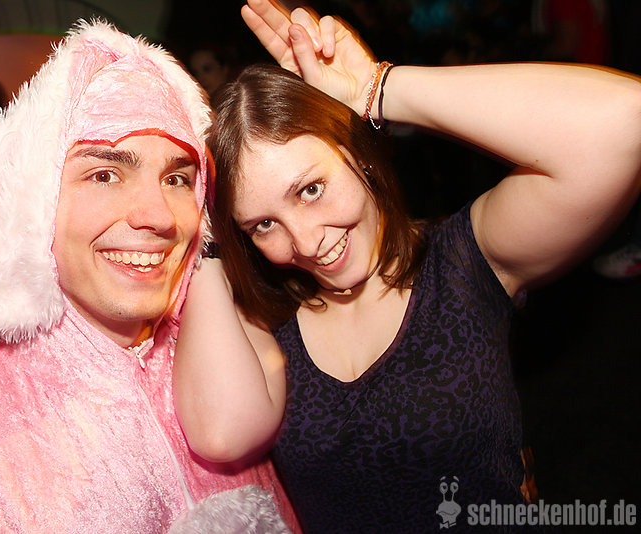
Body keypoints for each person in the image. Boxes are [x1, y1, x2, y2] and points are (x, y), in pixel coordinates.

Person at [173, 0, 641, 532]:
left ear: (357, 154)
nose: (304, 241)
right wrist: (201, 228)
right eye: (262, 224)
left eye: (311, 189)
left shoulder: (462, 260)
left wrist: (376, 88)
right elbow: (220, 435)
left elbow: (624, 121)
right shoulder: (266, 318)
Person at [0, 21, 298, 533]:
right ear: (34, 203)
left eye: (176, 178)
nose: (159, 215)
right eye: (104, 174)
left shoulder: (227, 358)